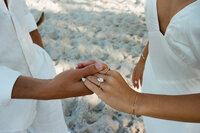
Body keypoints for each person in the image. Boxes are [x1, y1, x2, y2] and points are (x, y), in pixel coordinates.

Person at [80, 0, 200, 132]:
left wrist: (135, 101)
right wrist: (143, 60)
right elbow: (161, 30)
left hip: (186, 105)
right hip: (151, 83)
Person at [0, 0, 106, 132]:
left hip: (41, 68)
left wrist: (40, 52)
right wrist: (48, 89)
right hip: (9, 93)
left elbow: (21, 10)